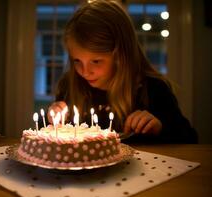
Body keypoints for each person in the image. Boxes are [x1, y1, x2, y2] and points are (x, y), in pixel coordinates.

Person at [47, 0, 197, 144]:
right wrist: (51, 118)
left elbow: (190, 139)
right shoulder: (69, 87)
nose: (85, 72)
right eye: (77, 61)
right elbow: (45, 136)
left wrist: (160, 128)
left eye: (96, 61)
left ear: (120, 56)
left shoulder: (153, 90)